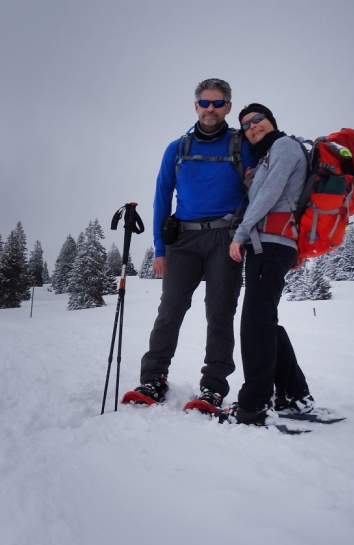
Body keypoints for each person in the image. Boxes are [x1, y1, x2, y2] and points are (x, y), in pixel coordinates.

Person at [125, 78, 254, 408]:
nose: (210, 109)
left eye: (217, 103)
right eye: (204, 103)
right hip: (183, 239)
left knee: (220, 313)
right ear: (195, 106)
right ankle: (153, 380)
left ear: (227, 106)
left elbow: (262, 189)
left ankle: (213, 387)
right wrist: (160, 248)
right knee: (169, 311)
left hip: (226, 239)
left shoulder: (241, 145)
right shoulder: (177, 148)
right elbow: (161, 196)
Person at [225, 103, 316, 425]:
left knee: (255, 324)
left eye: (258, 119)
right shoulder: (270, 155)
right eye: (246, 124)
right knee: (264, 321)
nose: (252, 126)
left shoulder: (284, 146)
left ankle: (253, 405)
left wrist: (240, 234)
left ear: (272, 120)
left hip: (271, 245)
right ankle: (293, 394)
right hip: (271, 246)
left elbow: (270, 195)